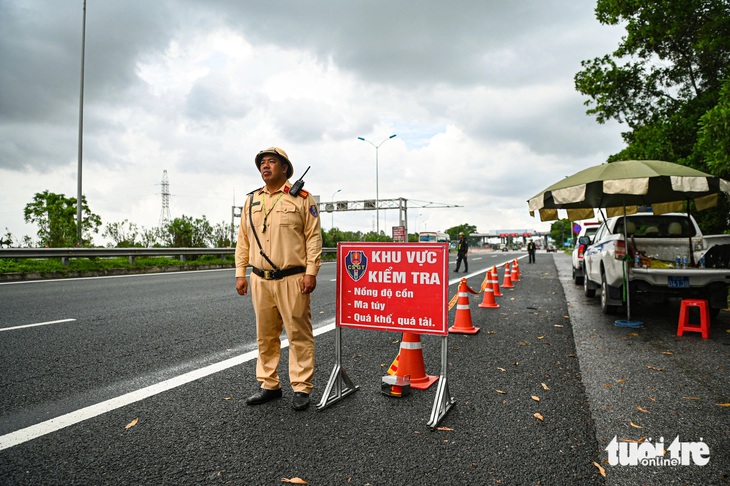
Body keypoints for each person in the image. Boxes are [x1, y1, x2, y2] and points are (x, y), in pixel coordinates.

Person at [235, 147, 322, 411]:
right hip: (260, 279)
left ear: (285, 168)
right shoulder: (251, 200)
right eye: (262, 162)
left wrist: (311, 272)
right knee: (265, 335)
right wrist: (241, 273)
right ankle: (269, 384)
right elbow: (243, 240)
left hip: (293, 278)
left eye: (271, 162)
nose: (265, 166)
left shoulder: (303, 199)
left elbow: (314, 237)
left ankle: (301, 386)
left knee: (298, 334)